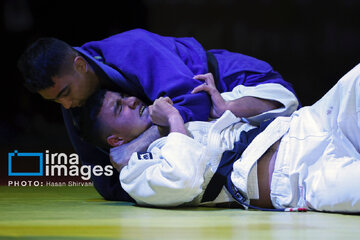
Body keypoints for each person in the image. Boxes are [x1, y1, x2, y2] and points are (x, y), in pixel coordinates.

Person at [17, 29, 299, 201]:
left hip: (236, 84)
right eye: (56, 100)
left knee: (210, 118)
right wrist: (148, 185)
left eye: (64, 93)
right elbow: (103, 174)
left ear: (80, 65)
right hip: (213, 119)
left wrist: (137, 147)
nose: (65, 105)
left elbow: (194, 102)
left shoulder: (133, 48)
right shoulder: (74, 100)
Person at [81, 63, 360, 213]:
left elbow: (286, 101)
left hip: (314, 121)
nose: (131, 101)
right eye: (119, 108)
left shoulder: (195, 109)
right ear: (115, 140)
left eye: (125, 96)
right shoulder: (136, 172)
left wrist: (227, 108)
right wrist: (174, 121)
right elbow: (182, 181)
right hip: (302, 178)